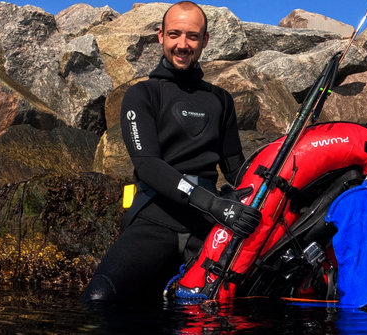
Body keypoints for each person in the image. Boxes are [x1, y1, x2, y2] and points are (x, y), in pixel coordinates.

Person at [81, 1, 260, 302]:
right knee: (98, 300)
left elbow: (235, 169)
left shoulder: (220, 100)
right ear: (160, 36)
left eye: (192, 36)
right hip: (157, 217)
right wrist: (214, 205)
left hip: (207, 226)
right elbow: (149, 165)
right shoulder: (142, 95)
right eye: (174, 34)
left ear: (204, 41)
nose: (182, 44)